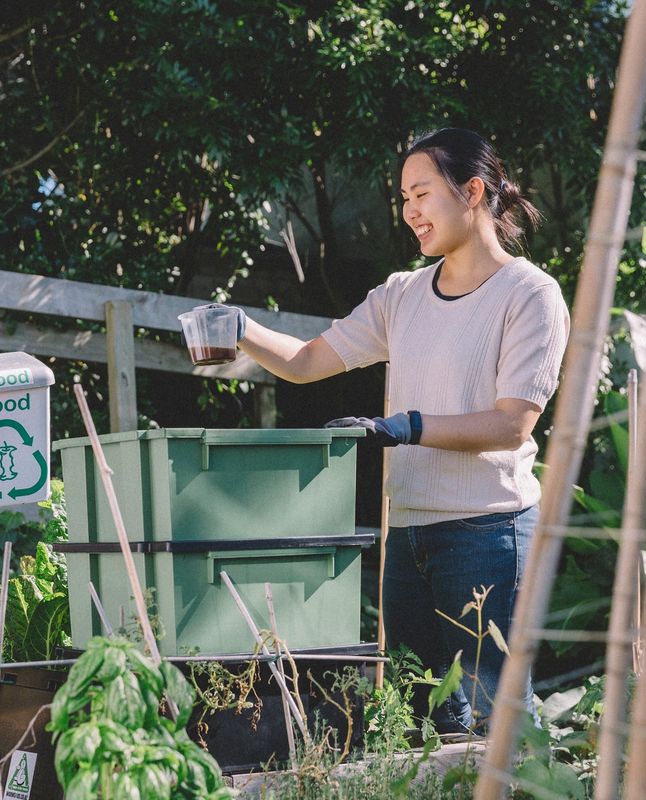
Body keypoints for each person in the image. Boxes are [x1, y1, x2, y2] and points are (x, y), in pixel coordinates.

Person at [230, 128, 569, 733]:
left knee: (500, 715)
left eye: (421, 193)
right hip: (409, 532)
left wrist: (406, 427)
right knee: (422, 716)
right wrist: (237, 327)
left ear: (471, 192)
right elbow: (308, 361)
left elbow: (513, 422)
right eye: (403, 198)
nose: (410, 211)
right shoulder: (402, 295)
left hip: (487, 530)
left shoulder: (530, 294)